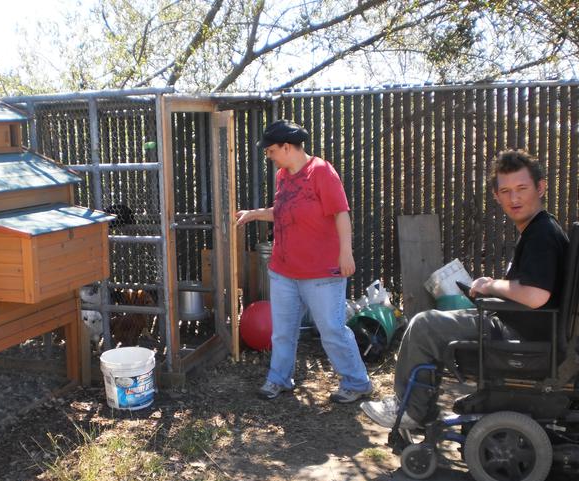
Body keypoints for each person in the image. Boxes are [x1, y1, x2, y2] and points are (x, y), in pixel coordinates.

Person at [361, 148, 569, 429]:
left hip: (521, 339)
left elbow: (535, 295)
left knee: (425, 325)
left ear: (540, 187)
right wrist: (491, 289)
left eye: (522, 188)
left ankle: (410, 410)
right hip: (525, 331)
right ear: (496, 196)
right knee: (438, 323)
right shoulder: (540, 229)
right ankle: (420, 407)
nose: (514, 198)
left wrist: (491, 285)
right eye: (505, 191)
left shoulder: (542, 233)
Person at [236, 119, 372, 403]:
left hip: (322, 271)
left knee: (332, 330)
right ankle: (279, 379)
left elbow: (341, 213)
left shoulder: (321, 171)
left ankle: (357, 382)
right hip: (284, 269)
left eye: (271, 150)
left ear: (287, 147)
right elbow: (286, 211)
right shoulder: (283, 176)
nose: (269, 156)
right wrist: (255, 213)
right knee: (282, 332)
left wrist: (345, 252)